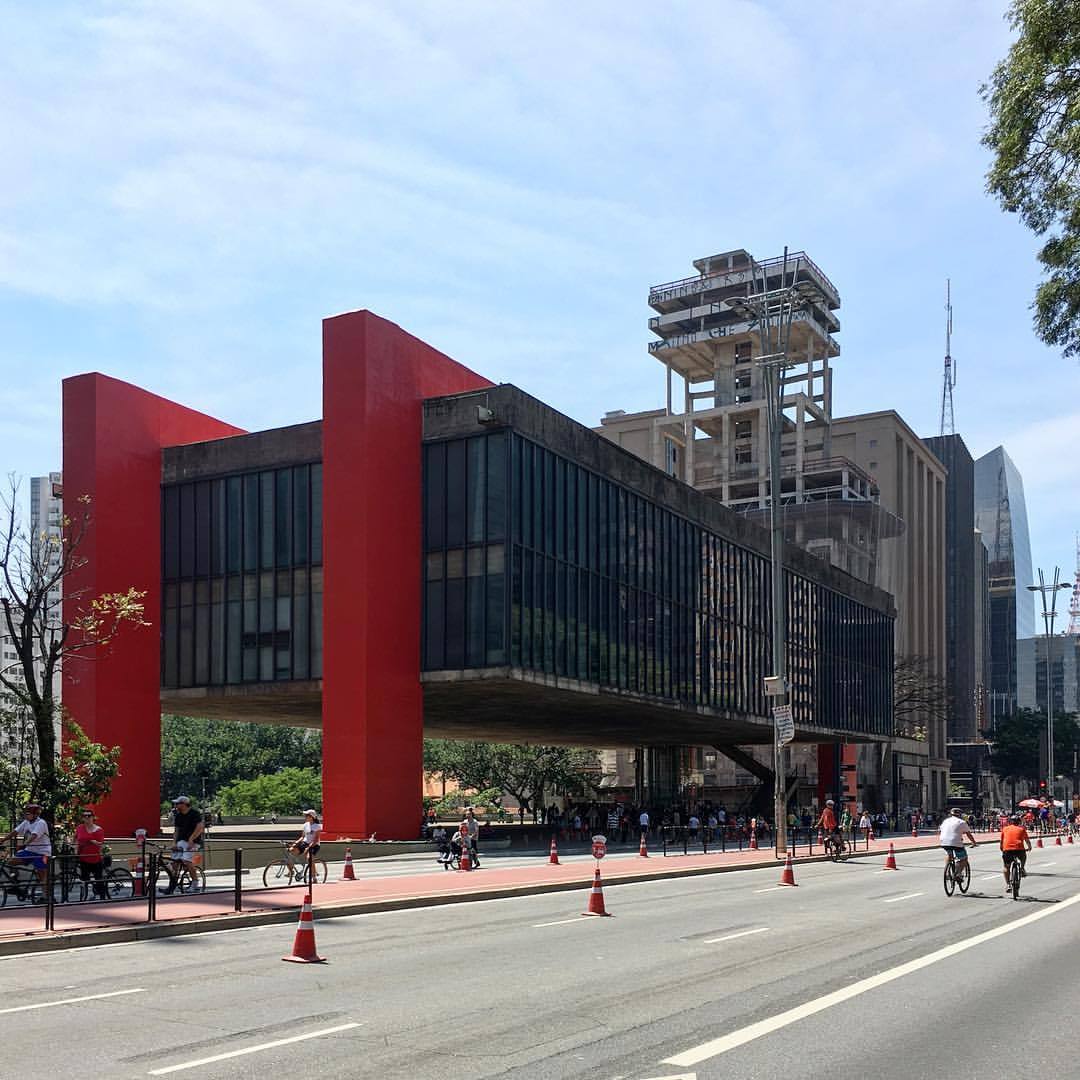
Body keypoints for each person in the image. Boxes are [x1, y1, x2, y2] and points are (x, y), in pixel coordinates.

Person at [2, 803, 51, 885]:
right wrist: (3, 840)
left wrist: (23, 845)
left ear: (35, 814)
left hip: (42, 853)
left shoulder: (41, 823)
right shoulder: (26, 822)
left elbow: (33, 836)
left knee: (42, 876)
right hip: (29, 851)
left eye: (28, 814)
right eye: (25, 813)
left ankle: (46, 896)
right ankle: (15, 878)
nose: (25, 815)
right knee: (11, 862)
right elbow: (15, 832)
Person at [163, 795, 204, 893]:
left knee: (187, 860)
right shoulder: (178, 815)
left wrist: (191, 839)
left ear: (184, 804)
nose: (176, 805)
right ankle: (172, 886)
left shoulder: (194, 814)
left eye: (177, 803)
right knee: (174, 862)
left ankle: (195, 884)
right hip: (181, 841)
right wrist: (174, 843)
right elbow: (176, 830)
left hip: (193, 842)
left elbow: (200, 827)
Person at [75, 808, 108, 900]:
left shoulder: (98, 830)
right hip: (83, 857)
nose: (87, 818)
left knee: (98, 878)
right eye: (84, 816)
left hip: (95, 857)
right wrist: (73, 846)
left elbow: (100, 843)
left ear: (93, 817)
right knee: (85, 878)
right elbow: (76, 839)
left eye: (89, 816)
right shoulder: (80, 828)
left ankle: (102, 897)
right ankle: (85, 897)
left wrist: (92, 841)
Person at [1000, 813, 1032, 894]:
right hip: (1019, 849)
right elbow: (1027, 840)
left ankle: (1008, 884)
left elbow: (1002, 841)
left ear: (1010, 822)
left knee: (1006, 867)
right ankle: (1022, 869)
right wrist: (1029, 847)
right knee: (1023, 856)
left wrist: (1002, 848)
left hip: (1007, 850)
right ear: (1019, 822)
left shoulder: (1005, 829)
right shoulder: (1022, 829)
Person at [939, 807, 976, 873]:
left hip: (943, 841)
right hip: (955, 842)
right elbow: (968, 834)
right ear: (960, 815)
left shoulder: (945, 821)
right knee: (964, 858)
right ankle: (958, 874)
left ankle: (947, 872)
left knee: (949, 855)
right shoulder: (962, 822)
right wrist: (973, 843)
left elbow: (941, 830)